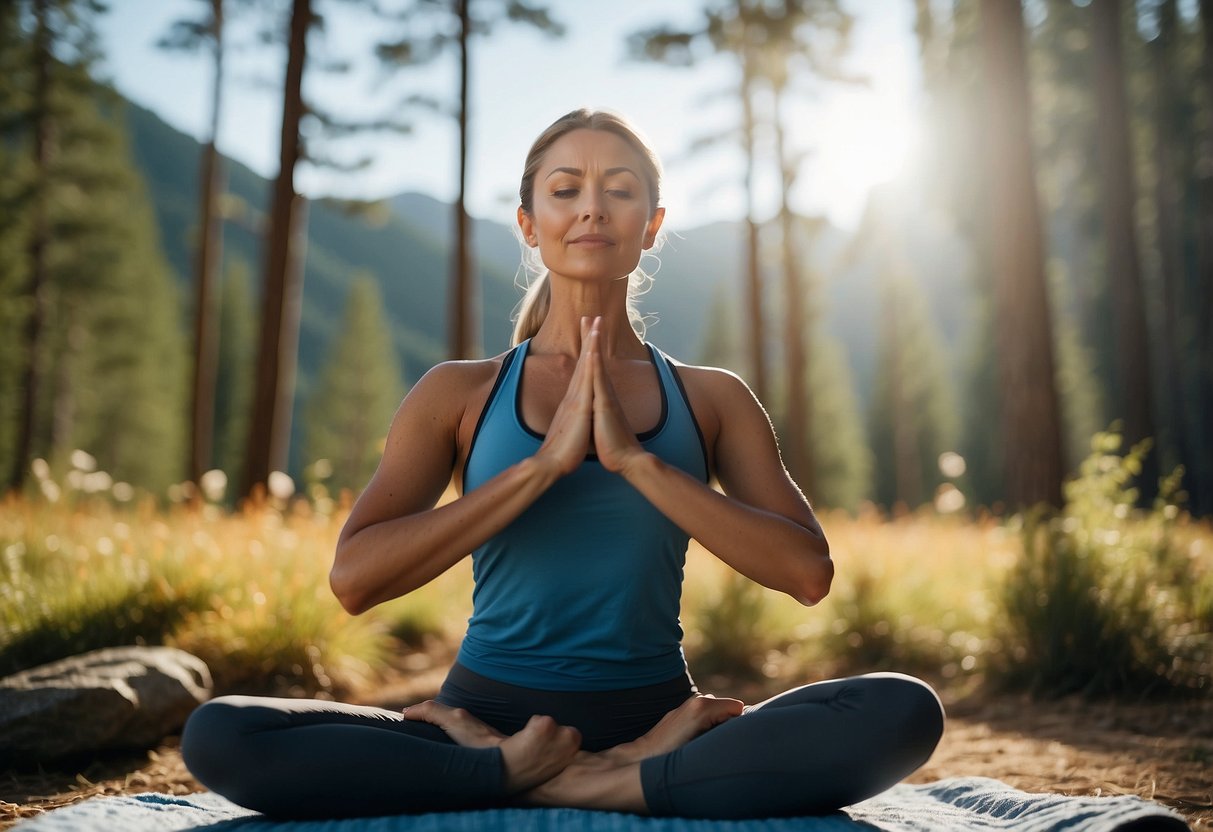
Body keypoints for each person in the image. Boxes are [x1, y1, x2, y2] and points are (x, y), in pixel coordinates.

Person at [181, 108, 944, 820]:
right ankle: (546, 774)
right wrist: (538, 469)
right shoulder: (459, 392)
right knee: (222, 734)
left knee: (903, 709)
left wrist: (638, 465)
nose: (591, 209)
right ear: (528, 224)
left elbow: (806, 575)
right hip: (484, 716)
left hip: (654, 715)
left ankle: (604, 773)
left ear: (650, 226)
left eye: (619, 191)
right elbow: (356, 580)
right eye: (564, 189)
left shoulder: (711, 399)